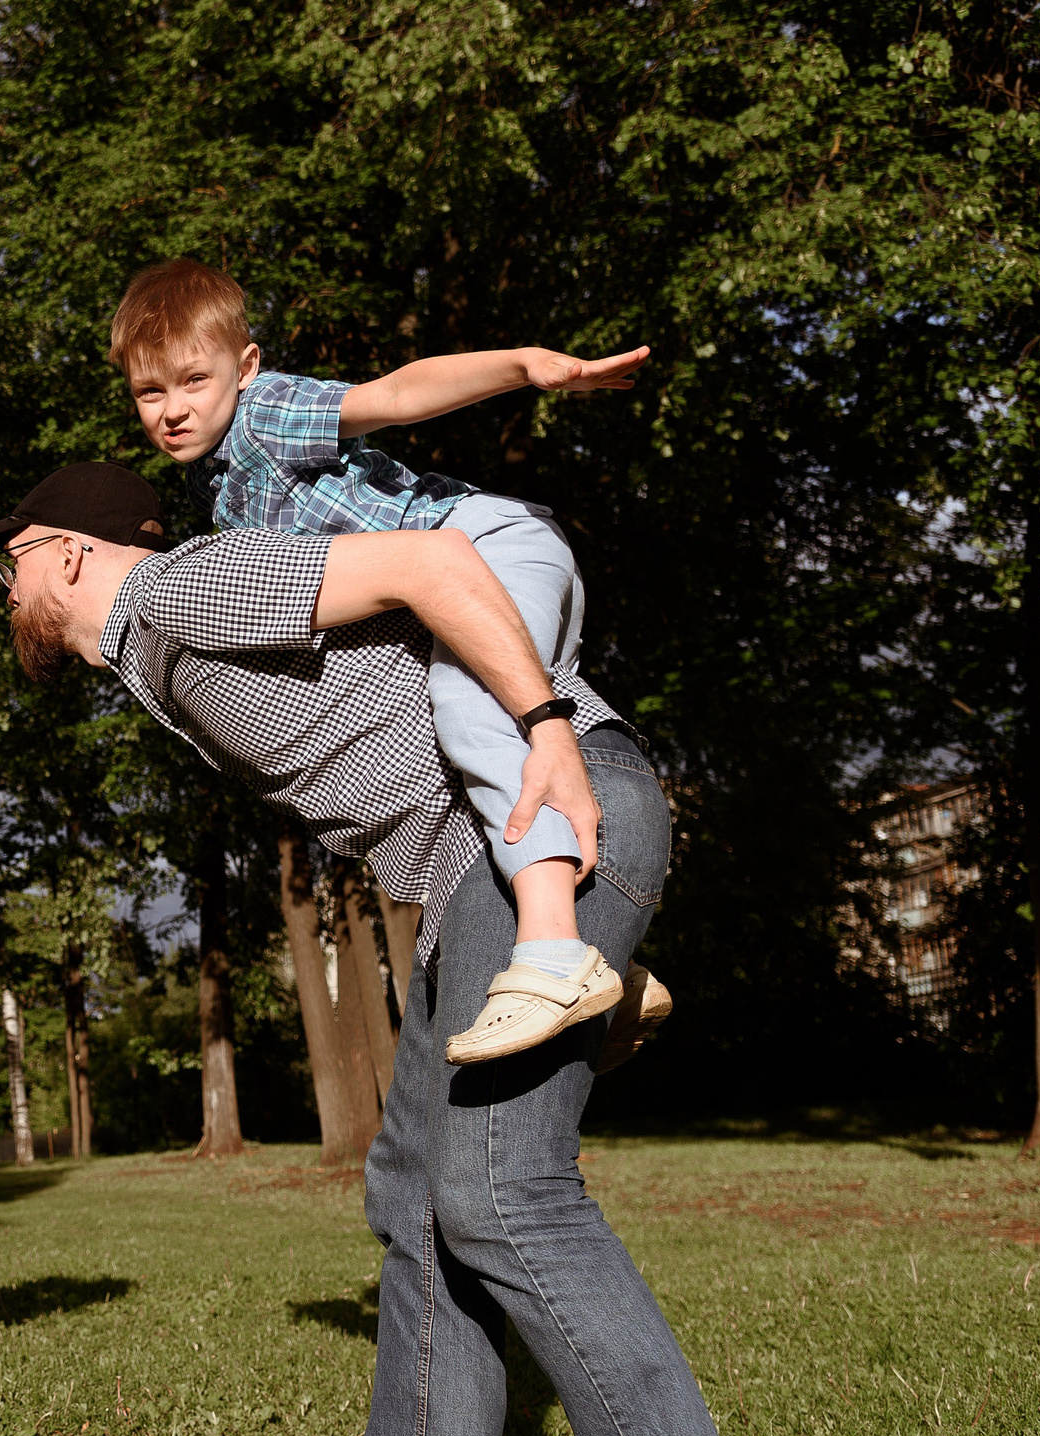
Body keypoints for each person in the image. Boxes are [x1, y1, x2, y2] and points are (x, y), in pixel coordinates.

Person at [0, 464, 769, 1436]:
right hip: (473, 879)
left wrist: (544, 730)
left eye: (11, 556)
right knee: (417, 1198)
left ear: (70, 551)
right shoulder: (159, 649)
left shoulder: (181, 587)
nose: (5, 585)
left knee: (501, 1188)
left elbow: (434, 564)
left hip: (542, 818)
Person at [110, 259, 672, 1069]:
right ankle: (608, 954)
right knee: (469, 757)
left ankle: (554, 953)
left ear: (246, 365)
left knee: (468, 703)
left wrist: (523, 367)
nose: (172, 409)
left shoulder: (265, 415)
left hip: (486, 545)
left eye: (194, 380)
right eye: (149, 392)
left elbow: (396, 395)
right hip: (477, 571)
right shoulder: (215, 486)